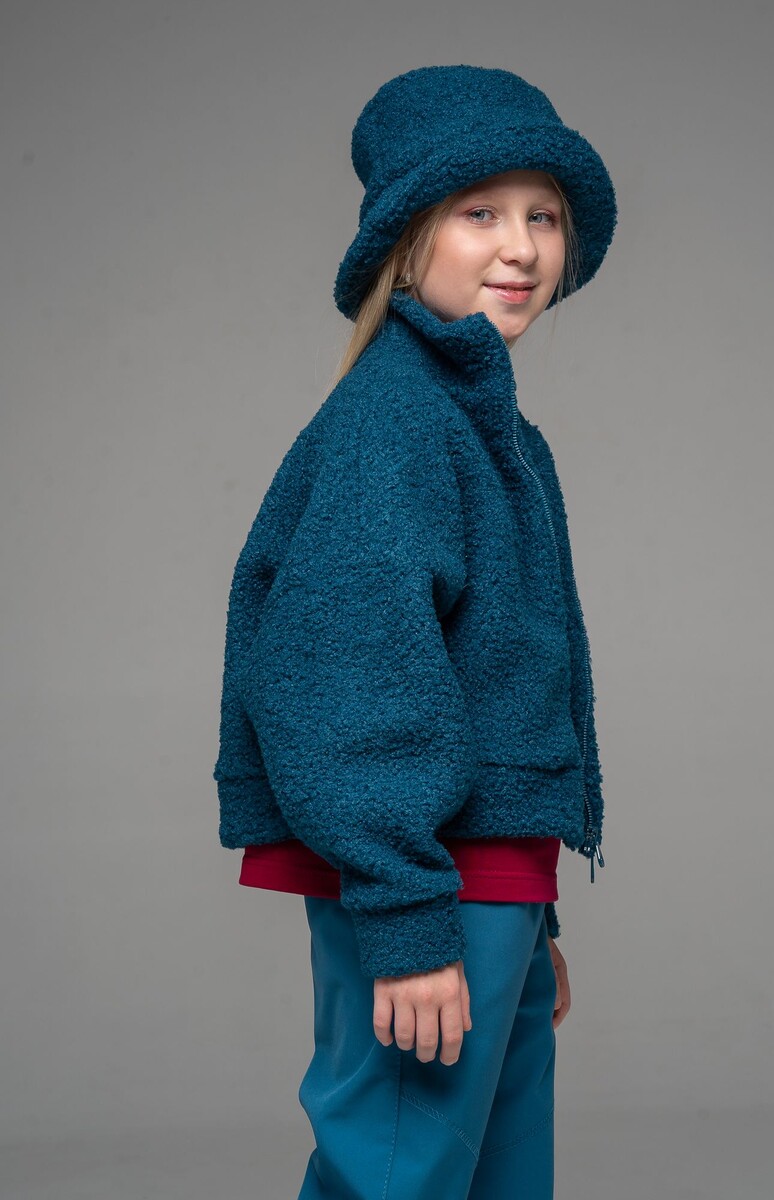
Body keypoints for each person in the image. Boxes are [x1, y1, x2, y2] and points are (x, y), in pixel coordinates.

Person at [213, 64, 616, 1199]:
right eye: (480, 213)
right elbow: (343, 678)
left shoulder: (491, 430)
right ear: (407, 240)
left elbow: (498, 681)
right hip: (426, 888)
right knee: (397, 1175)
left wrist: (529, 911)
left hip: (489, 887)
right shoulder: (395, 421)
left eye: (544, 217)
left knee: (494, 1179)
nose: (522, 248)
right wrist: (407, 918)